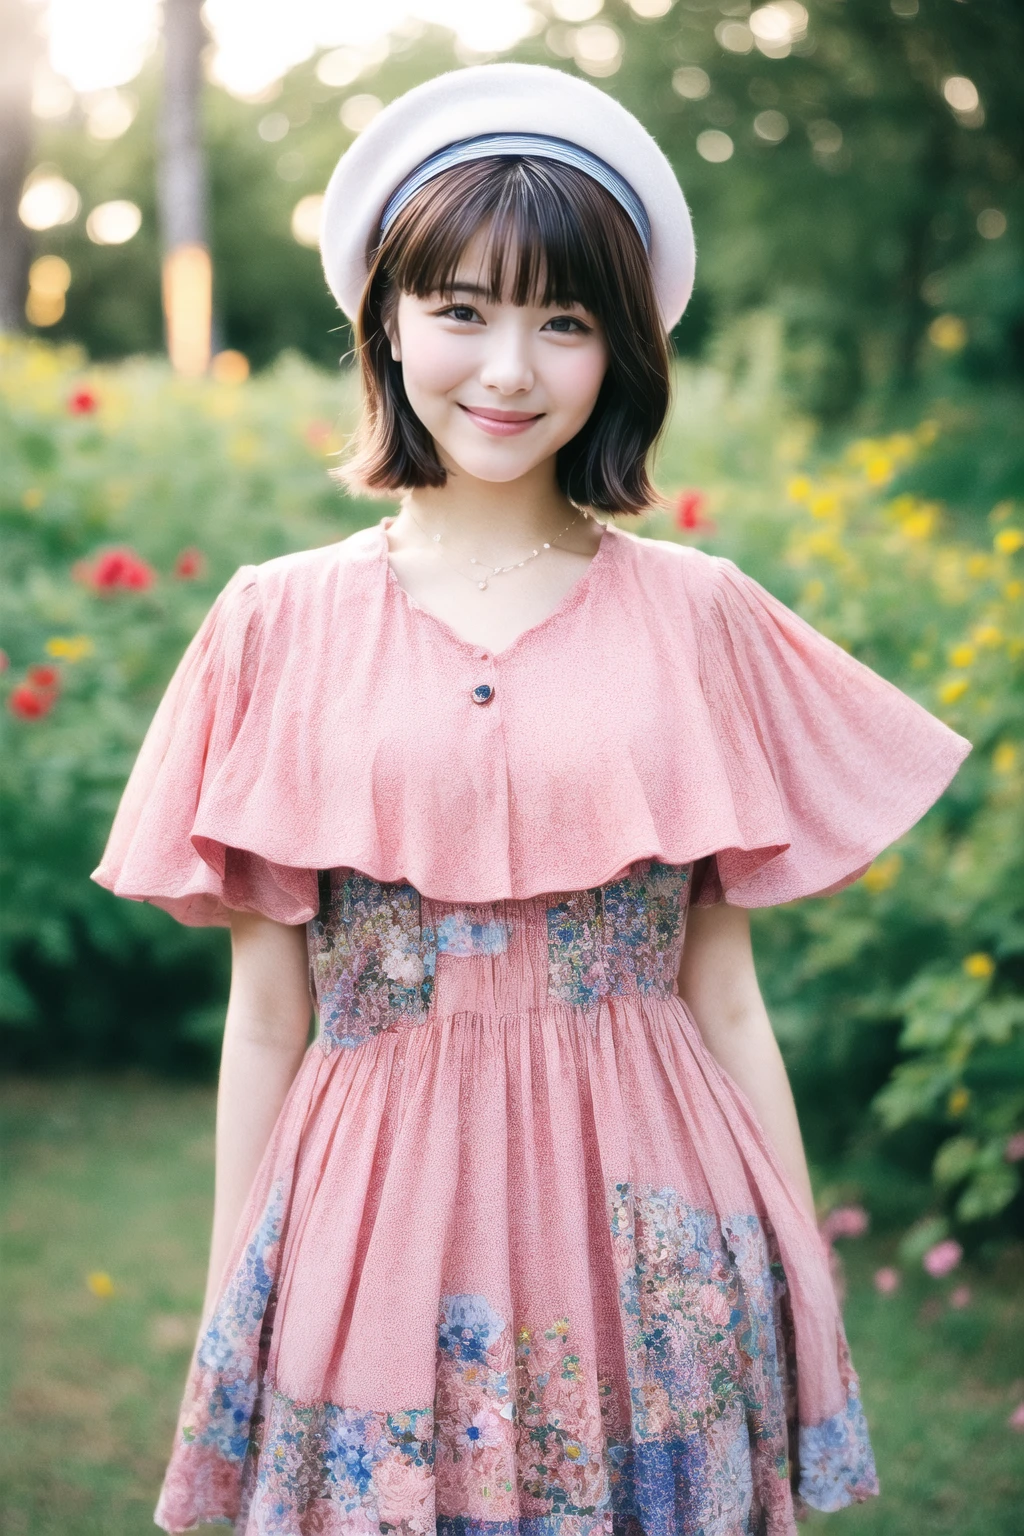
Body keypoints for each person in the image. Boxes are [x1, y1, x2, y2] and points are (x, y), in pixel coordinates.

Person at [93, 63, 971, 1536]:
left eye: (563, 321)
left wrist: (799, 1270)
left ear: (619, 351)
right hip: (372, 1214)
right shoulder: (273, 621)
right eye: (463, 309)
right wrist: (235, 1294)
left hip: (653, 1208)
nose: (508, 369)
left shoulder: (698, 613)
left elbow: (727, 996)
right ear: (386, 317)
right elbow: (267, 1013)